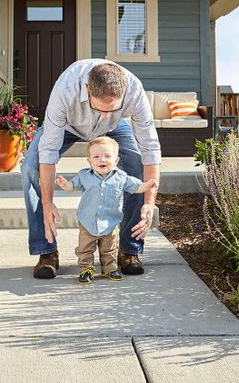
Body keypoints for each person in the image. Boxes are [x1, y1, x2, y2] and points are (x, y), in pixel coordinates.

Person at [22, 59, 162, 279]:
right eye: (100, 108)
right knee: (30, 166)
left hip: (115, 129)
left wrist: (149, 202)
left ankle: (129, 250)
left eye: (112, 109)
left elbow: (150, 148)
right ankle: (46, 251)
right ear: (87, 89)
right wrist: (48, 202)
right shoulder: (65, 91)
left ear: (123, 90)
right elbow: (48, 151)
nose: (105, 114)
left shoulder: (134, 90)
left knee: (135, 162)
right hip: (68, 125)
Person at [56, 136, 157, 284]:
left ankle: (109, 268)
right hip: (87, 221)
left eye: (107, 156)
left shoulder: (121, 177)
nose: (101, 160)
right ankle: (86, 268)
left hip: (111, 221)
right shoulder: (84, 175)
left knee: (109, 248)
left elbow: (136, 187)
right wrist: (65, 185)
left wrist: (148, 185)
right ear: (89, 161)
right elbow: (72, 186)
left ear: (116, 160)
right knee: (85, 248)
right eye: (96, 157)